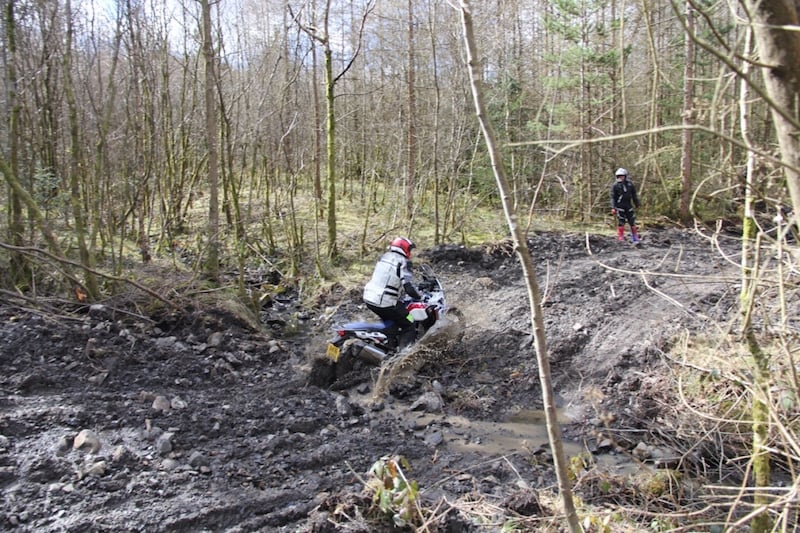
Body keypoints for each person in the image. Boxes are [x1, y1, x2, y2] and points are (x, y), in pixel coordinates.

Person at [363, 236, 423, 348]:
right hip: (385, 302)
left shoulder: (384, 257)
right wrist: (420, 296)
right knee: (410, 322)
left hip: (369, 298)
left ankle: (390, 345)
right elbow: (409, 287)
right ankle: (403, 356)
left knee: (392, 320)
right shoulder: (403, 262)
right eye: (409, 249)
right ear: (403, 248)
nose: (410, 252)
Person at [610, 168, 641, 242]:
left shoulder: (630, 184)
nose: (620, 178)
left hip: (628, 205)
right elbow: (613, 197)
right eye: (619, 176)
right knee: (621, 221)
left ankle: (635, 236)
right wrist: (613, 207)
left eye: (622, 176)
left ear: (625, 176)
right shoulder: (615, 185)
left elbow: (634, 195)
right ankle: (621, 237)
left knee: (632, 221)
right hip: (620, 206)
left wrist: (637, 203)